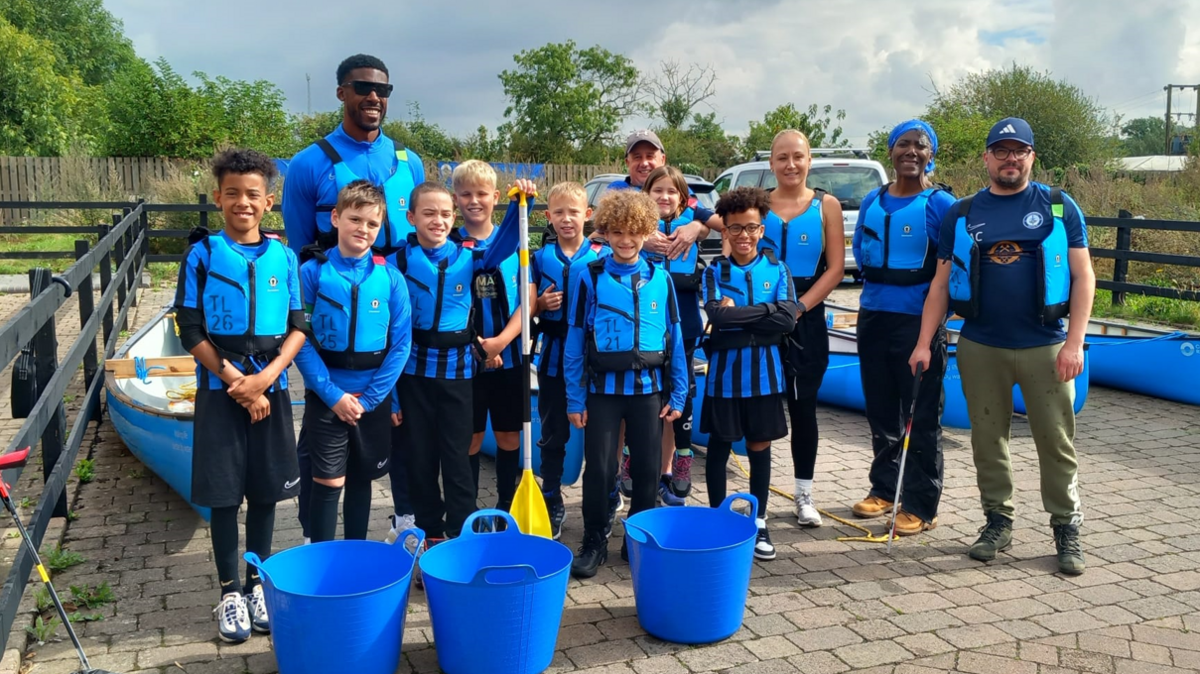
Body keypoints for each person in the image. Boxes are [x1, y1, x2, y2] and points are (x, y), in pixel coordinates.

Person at [909, 117, 1094, 575]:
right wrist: (924, 343)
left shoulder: (1058, 206)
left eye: (1020, 151)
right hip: (981, 345)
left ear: (1031, 157)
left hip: (1046, 347)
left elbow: (1083, 276)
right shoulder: (963, 212)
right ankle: (998, 520)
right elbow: (939, 285)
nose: (1010, 158)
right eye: (1001, 150)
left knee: (1056, 441)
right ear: (987, 157)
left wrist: (1076, 343)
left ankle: (1066, 526)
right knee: (988, 440)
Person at [282, 53, 424, 543]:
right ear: (341, 91)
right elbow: (302, 251)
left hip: (393, 313)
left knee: (389, 446)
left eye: (383, 90)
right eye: (363, 87)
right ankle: (316, 544)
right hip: (338, 325)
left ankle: (405, 523)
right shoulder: (308, 164)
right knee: (328, 466)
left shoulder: (410, 162)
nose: (374, 97)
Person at [174, 148, 306, 643]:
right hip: (220, 391)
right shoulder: (203, 255)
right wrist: (239, 384)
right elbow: (189, 328)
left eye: (253, 195)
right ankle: (230, 591)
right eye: (233, 194)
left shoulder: (285, 257)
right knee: (225, 497)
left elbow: (298, 326)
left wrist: (266, 378)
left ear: (268, 202)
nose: (243, 203)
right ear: (218, 198)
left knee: (267, 493)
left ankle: (258, 583)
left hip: (270, 387)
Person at [389, 179, 533, 549]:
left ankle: (461, 533)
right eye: (428, 214)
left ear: (453, 217)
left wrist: (525, 206)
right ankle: (430, 532)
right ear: (411, 217)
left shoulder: (468, 256)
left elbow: (503, 246)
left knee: (457, 457)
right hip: (413, 374)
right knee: (420, 458)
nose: (437, 221)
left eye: (444, 214)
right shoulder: (395, 263)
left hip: (458, 374)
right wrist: (390, 398)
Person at [564, 189, 688, 578]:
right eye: (616, 231)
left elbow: (676, 338)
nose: (625, 240)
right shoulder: (588, 276)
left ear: (648, 231)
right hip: (602, 392)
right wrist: (574, 397)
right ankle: (594, 539)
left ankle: (638, 539)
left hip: (647, 391)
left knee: (648, 470)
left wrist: (679, 391)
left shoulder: (660, 279)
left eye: (634, 232)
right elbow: (573, 338)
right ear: (604, 232)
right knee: (600, 469)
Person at [849, 120, 955, 536]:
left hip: (919, 321)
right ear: (890, 151)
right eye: (903, 145)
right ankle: (884, 487)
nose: (911, 151)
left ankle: (921, 504)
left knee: (922, 415)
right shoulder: (873, 200)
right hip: (874, 315)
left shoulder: (941, 204)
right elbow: (860, 249)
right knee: (881, 411)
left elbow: (955, 266)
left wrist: (935, 328)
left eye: (921, 146)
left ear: (932, 154)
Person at [292, 180, 411, 543]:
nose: (363, 229)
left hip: (370, 399)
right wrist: (332, 395)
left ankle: (356, 553)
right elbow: (300, 340)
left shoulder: (390, 278)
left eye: (372, 224)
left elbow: (401, 342)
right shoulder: (312, 273)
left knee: (361, 479)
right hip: (328, 395)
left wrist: (373, 398)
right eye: (355, 219)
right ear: (335, 218)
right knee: (328, 480)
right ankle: (321, 556)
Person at [701, 186, 798, 561]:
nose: (744, 236)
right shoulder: (714, 271)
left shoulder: (778, 268)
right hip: (724, 378)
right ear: (724, 231)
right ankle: (716, 519)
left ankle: (758, 521)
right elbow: (718, 317)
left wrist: (742, 313)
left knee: (760, 447)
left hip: (766, 378)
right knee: (720, 447)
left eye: (751, 228)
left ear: (762, 229)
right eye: (735, 228)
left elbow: (788, 320)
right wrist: (766, 310)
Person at [759, 129, 845, 527]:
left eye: (798, 156)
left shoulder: (827, 205)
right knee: (759, 409)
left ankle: (804, 493)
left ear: (810, 160)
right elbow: (731, 251)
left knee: (803, 410)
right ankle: (756, 498)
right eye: (782, 158)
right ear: (771, 163)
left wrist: (799, 308)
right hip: (762, 317)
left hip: (806, 318)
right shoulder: (758, 206)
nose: (790, 165)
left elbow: (836, 268)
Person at [530, 181, 609, 539]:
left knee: (598, 433)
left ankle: (603, 496)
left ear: (587, 216)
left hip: (593, 360)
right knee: (553, 432)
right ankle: (551, 497)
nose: (566, 219)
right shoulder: (537, 257)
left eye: (573, 212)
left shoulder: (601, 256)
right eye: (558, 212)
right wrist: (540, 306)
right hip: (552, 357)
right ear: (548, 217)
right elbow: (525, 308)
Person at [448, 161, 524, 512]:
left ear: (496, 197)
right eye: (466, 194)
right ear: (455, 199)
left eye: (482, 194)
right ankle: (468, 510)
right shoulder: (448, 246)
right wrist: (479, 345)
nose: (474, 201)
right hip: (467, 362)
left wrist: (502, 342)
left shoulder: (517, 239)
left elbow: (529, 299)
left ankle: (506, 507)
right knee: (471, 439)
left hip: (509, 358)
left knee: (510, 437)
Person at [639, 165, 704, 505]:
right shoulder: (634, 226)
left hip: (685, 326)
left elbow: (721, 220)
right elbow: (599, 233)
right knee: (639, 399)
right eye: (656, 191)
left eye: (671, 191)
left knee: (680, 397)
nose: (664, 197)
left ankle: (679, 461)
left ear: (682, 197)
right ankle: (631, 460)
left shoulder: (694, 218)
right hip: (646, 328)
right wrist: (640, 236)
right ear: (645, 195)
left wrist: (697, 225)